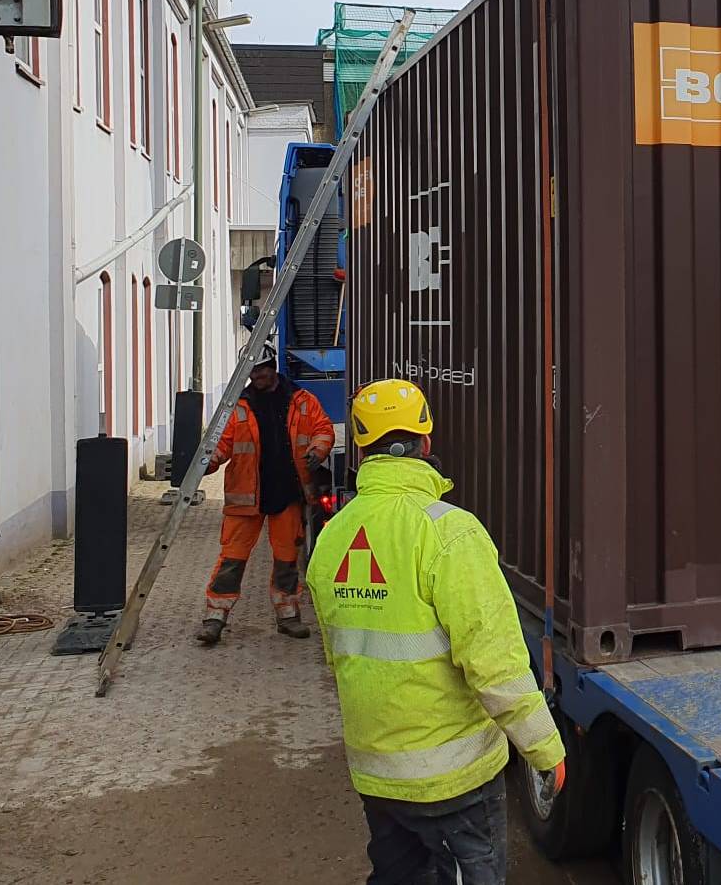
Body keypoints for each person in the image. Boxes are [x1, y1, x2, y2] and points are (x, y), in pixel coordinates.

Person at [306, 379, 565, 885]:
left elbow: (338, 655)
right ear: (426, 443)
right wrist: (544, 749)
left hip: (376, 774)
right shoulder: (450, 532)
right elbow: (496, 663)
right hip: (455, 779)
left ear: (360, 449)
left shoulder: (334, 535)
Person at [197, 349, 335, 646]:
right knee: (231, 560)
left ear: (273, 368)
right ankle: (214, 619)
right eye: (252, 372)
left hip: (288, 493)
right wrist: (204, 463)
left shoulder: (302, 401)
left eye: (261, 370)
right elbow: (222, 444)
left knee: (286, 559)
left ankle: (288, 616)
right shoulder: (238, 407)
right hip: (246, 499)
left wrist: (318, 450)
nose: (257, 377)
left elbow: (323, 429)